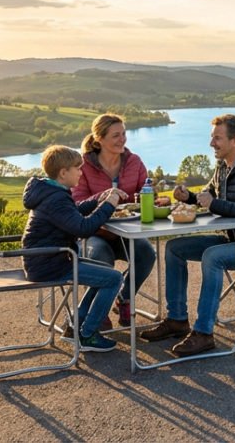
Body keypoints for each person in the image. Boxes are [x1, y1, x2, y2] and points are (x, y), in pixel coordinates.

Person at [139, 113, 235, 357]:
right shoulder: (224, 168)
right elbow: (208, 195)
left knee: (213, 257)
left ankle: (204, 333)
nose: (211, 143)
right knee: (174, 248)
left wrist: (213, 204)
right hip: (234, 239)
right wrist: (189, 197)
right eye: (212, 137)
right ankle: (177, 319)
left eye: (217, 138)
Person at [21, 145, 124, 352]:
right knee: (114, 279)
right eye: (77, 168)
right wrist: (109, 204)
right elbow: (83, 228)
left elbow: (73, 212)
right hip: (50, 264)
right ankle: (88, 335)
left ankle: (74, 328)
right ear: (63, 173)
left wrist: (100, 197)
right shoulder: (56, 199)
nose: (81, 172)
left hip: (48, 259)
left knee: (104, 276)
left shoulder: (51, 192)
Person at [71, 113, 159, 327]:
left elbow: (143, 195)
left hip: (127, 232)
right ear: (99, 139)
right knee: (101, 258)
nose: (122, 139)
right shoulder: (83, 166)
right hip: (94, 233)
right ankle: (97, 313)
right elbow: (78, 203)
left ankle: (124, 298)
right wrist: (105, 197)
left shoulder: (134, 162)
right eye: (116, 135)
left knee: (146, 254)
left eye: (124, 134)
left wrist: (151, 195)